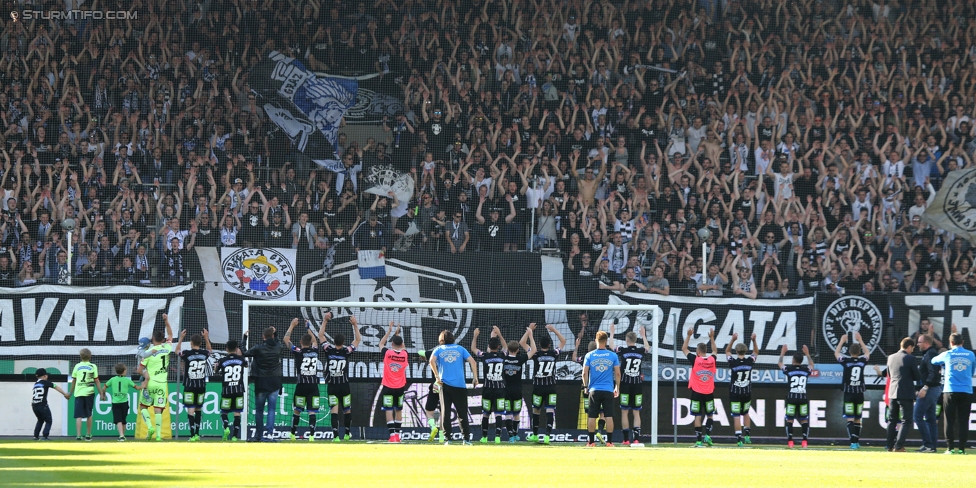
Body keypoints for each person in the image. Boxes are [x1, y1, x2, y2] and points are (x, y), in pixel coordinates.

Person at [429, 329, 480, 445]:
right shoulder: (460, 349)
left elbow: (431, 361)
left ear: (441, 339)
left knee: (445, 413)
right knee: (462, 413)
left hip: (444, 385)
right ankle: (466, 439)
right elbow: (473, 362)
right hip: (460, 386)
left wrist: (437, 376)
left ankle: (448, 440)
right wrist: (475, 377)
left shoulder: (439, 349)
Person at [932, 328, 975, 454]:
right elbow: (972, 371)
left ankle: (950, 448)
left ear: (951, 343)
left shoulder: (948, 354)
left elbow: (933, 361)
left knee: (949, 420)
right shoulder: (971, 354)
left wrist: (944, 364)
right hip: (966, 390)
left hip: (950, 390)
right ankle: (962, 448)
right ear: (963, 342)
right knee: (963, 420)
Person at [319, 314, 362, 441]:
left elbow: (321, 335)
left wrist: (325, 321)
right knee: (347, 410)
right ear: (343, 342)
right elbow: (358, 340)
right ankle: (347, 434)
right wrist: (355, 324)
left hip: (332, 386)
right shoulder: (346, 351)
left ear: (334, 341)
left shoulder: (328, 350)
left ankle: (336, 436)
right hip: (344, 386)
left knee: (334, 411)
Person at [243, 322, 288, 442]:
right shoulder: (278, 347)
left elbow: (244, 353)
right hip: (275, 381)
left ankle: (258, 435)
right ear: (272, 336)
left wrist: (244, 338)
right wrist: (276, 333)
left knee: (259, 410)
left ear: (263, 337)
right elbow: (278, 342)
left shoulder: (258, 348)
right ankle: (269, 435)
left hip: (261, 382)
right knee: (272, 409)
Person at [609, 325, 650, 447]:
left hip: (625, 385)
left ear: (627, 341)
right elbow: (647, 347)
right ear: (635, 340)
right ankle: (636, 439)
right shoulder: (640, 351)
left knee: (624, 412)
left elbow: (611, 346)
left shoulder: (623, 351)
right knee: (636, 413)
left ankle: (626, 439)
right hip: (637, 386)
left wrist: (612, 333)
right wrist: (643, 335)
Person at [136, 314, 174, 442]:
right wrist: (166, 321)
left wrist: (145, 374)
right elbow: (171, 335)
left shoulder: (148, 353)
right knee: (158, 410)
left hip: (150, 383)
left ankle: (150, 427)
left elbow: (139, 370)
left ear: (152, 339)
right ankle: (158, 436)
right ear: (163, 339)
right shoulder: (167, 348)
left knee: (143, 407)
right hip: (162, 383)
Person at [283, 318, 322, 442]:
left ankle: (293, 434)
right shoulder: (315, 351)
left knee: (297, 410)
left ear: (300, 342)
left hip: (301, 385)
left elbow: (286, 340)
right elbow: (315, 340)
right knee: (312, 412)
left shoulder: (298, 351)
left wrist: (292, 325)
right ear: (310, 342)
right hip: (313, 386)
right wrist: (308, 328)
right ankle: (311, 436)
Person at [528, 324, 566, 444]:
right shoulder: (554, 354)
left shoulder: (535, 354)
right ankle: (547, 436)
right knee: (550, 411)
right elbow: (563, 341)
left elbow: (523, 344)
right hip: (551, 387)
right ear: (549, 345)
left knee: (536, 411)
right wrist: (554, 330)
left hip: (538, 387)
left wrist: (530, 333)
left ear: (539, 345)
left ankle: (535, 435)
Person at [582, 330, 621, 448]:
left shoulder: (589, 355)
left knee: (592, 416)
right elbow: (618, 373)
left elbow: (584, 373)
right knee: (609, 415)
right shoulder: (613, 355)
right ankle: (609, 442)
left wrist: (585, 386)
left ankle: (591, 442)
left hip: (594, 390)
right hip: (608, 390)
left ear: (596, 340)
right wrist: (617, 387)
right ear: (606, 341)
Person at [681, 327, 717, 447]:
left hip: (696, 392)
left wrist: (689, 335)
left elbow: (684, 349)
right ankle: (708, 435)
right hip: (709, 393)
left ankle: (698, 441)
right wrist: (712, 338)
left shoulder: (695, 360)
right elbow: (715, 351)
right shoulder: (712, 360)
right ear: (705, 351)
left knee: (698, 416)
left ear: (698, 352)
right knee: (710, 415)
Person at [471, 326, 508, 444]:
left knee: (486, 414)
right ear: (498, 347)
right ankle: (497, 437)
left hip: (487, 389)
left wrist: (475, 335)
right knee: (498, 414)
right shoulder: (503, 355)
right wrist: (499, 334)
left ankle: (484, 437)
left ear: (488, 346)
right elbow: (506, 347)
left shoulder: (484, 356)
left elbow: (473, 348)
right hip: (500, 389)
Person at [833, 333, 870, 449]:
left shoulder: (846, 361)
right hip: (859, 393)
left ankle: (853, 442)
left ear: (849, 352)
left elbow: (836, 353)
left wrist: (841, 341)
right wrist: (861, 340)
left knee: (850, 418)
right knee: (858, 418)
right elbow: (868, 353)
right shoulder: (862, 361)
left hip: (849, 393)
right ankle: (857, 441)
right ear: (859, 353)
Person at [175, 328, 212, 442]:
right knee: (198, 410)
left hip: (190, 385)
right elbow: (210, 351)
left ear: (191, 343)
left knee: (190, 410)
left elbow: (177, 351)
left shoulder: (186, 353)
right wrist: (206, 337)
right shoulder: (204, 353)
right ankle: (197, 434)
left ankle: (192, 435)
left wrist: (181, 338)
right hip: (201, 385)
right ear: (200, 343)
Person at [885, 338, 921, 452]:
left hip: (892, 392)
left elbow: (889, 375)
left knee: (892, 420)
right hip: (905, 393)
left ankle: (889, 445)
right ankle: (899, 446)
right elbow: (917, 377)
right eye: (912, 348)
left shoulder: (890, 357)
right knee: (906, 420)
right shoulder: (910, 358)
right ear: (909, 347)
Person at [502, 325, 535, 443]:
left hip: (506, 390)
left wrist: (498, 335)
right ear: (517, 350)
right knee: (516, 414)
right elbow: (534, 351)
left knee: (507, 414)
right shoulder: (520, 359)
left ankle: (510, 436)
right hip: (517, 390)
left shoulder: (504, 359)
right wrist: (530, 335)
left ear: (508, 349)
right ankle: (515, 435)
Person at [725, 333, 758, 446]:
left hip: (735, 393)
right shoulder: (750, 361)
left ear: (736, 351)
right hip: (746, 392)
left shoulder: (733, 362)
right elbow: (756, 352)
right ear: (745, 351)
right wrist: (754, 341)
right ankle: (747, 436)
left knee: (736, 416)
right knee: (746, 413)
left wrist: (732, 340)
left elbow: (727, 352)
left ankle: (739, 439)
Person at [779, 344, 815, 448]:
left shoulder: (789, 370)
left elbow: (780, 363)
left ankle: (790, 442)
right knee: (804, 420)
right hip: (803, 398)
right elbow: (812, 365)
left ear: (793, 360)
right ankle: (804, 441)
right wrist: (807, 354)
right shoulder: (806, 370)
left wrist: (782, 353)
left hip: (791, 398)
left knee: (790, 420)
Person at [379, 321, 408, 443]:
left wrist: (390, 331)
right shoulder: (405, 354)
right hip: (400, 387)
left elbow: (381, 344)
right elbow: (403, 348)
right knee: (399, 410)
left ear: (392, 343)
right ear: (401, 344)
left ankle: (392, 436)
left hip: (388, 387)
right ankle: (398, 435)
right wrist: (398, 334)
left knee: (389, 410)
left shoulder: (388, 353)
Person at [67, 348, 103, 441]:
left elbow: (74, 380)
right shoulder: (93, 366)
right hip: (89, 392)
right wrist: (101, 393)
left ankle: (78, 435)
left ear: (80, 356)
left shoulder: (77, 366)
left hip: (79, 393)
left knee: (78, 415)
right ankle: (88, 434)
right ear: (90, 356)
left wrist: (70, 393)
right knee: (89, 414)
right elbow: (96, 380)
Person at [914, 334, 942, 453]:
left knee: (917, 416)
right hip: (934, 389)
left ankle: (928, 445)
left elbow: (933, 373)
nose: (917, 344)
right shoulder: (929, 353)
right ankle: (932, 446)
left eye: (919, 342)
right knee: (931, 419)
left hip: (930, 389)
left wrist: (925, 388)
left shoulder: (930, 354)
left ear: (926, 343)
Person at [215, 340, 247, 441]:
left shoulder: (222, 360)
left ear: (226, 349)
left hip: (227, 390)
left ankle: (226, 428)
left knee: (224, 412)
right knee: (237, 413)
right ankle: (234, 437)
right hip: (239, 390)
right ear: (237, 349)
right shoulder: (241, 359)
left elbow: (215, 370)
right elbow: (246, 365)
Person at [102, 363, 142, 441]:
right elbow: (137, 387)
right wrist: (143, 386)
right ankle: (122, 435)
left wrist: (103, 395)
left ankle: (122, 436)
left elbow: (104, 387)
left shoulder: (113, 379)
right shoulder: (127, 380)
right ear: (124, 371)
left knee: (120, 420)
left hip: (115, 402)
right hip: (124, 402)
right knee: (122, 420)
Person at [31, 368, 70, 441]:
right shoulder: (45, 382)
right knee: (49, 420)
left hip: (34, 405)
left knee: (40, 420)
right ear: (44, 376)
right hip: (42, 405)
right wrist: (65, 394)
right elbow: (56, 386)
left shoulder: (36, 384)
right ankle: (45, 436)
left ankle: (35, 436)